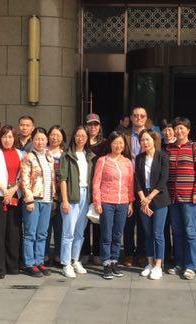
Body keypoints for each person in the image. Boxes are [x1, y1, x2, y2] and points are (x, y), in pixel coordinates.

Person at [166, 116, 196, 280]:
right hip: (173, 197)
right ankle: (179, 263)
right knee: (176, 231)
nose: (179, 131)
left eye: (182, 128)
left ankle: (191, 265)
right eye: (176, 128)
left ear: (188, 130)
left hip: (190, 197)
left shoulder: (195, 147)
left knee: (190, 231)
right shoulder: (169, 148)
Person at [92, 131, 135, 279]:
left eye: (121, 143)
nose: (118, 145)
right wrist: (97, 202)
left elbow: (130, 184)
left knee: (117, 234)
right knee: (106, 234)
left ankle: (114, 261)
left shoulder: (127, 162)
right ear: (110, 144)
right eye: (115, 142)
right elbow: (96, 183)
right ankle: (106, 263)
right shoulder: (102, 160)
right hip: (107, 202)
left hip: (123, 203)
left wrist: (130, 202)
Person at [0, 125, 24, 278]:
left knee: (13, 232)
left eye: (10, 137)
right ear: (0, 138)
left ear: (14, 138)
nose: (7, 140)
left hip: (15, 195)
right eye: (4, 137)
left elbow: (23, 176)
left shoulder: (21, 153)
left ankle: (12, 266)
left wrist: (13, 190)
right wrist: (5, 191)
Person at [58, 125, 96, 278]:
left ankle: (75, 260)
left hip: (86, 195)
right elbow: (62, 179)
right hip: (72, 196)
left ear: (87, 139)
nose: (80, 138)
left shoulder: (90, 156)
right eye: (78, 135)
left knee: (80, 232)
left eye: (83, 136)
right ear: (73, 137)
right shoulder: (66, 155)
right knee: (68, 232)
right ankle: (66, 263)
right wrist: (65, 201)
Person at [134, 129, 170, 280]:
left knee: (157, 233)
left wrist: (149, 198)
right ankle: (149, 263)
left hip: (159, 198)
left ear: (154, 140)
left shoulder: (162, 156)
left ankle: (158, 265)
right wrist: (143, 199)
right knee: (147, 233)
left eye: (147, 139)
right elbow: (137, 181)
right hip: (144, 198)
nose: (145, 142)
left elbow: (163, 179)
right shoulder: (139, 158)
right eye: (142, 140)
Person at [20, 128, 55, 277]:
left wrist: (53, 197)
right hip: (33, 200)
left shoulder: (49, 156)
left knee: (42, 234)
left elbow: (52, 179)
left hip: (47, 200)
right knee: (30, 233)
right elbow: (24, 180)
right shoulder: (28, 157)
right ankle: (29, 263)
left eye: (43, 139)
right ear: (32, 141)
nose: (40, 142)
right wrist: (29, 200)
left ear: (47, 140)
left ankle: (39, 261)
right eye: (37, 139)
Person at [125, 106, 149, 267]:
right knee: (128, 220)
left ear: (146, 118)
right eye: (136, 115)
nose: (138, 118)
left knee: (143, 221)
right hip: (128, 182)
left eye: (142, 116)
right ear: (131, 118)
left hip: (145, 183)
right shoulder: (124, 135)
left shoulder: (152, 136)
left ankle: (142, 253)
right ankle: (128, 254)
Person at [83, 114, 105, 265]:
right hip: (84, 185)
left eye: (95, 124)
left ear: (99, 126)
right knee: (83, 220)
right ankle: (84, 252)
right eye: (90, 124)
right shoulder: (81, 141)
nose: (93, 127)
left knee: (98, 219)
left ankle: (97, 252)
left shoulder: (105, 144)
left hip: (100, 185)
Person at [44, 125, 66, 266]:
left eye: (58, 135)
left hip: (61, 195)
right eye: (52, 135)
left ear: (62, 138)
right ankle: (44, 255)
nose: (55, 138)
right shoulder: (43, 152)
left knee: (60, 227)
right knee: (45, 228)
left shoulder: (65, 155)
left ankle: (58, 254)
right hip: (45, 195)